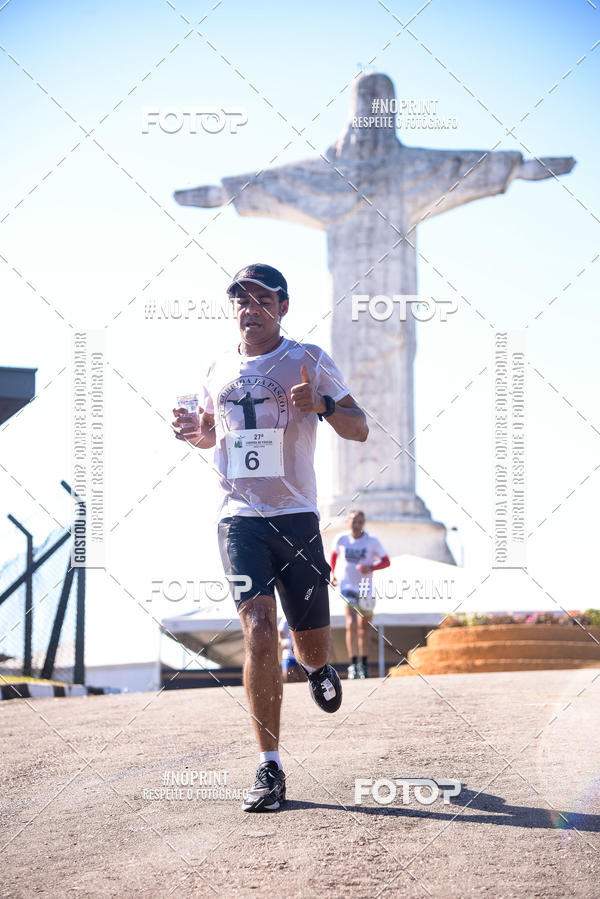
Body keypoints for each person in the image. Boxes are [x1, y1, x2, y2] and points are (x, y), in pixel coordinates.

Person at [172, 263, 368, 812]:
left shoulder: (309, 358)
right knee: (258, 628)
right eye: (240, 299)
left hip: (296, 516)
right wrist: (194, 432)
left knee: (310, 645)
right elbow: (210, 431)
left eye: (261, 299)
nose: (249, 308)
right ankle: (270, 767)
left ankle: (317, 668)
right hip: (238, 518)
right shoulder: (216, 367)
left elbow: (359, 427)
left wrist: (323, 406)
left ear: (283, 307)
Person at [330, 510, 390, 679]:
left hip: (365, 589)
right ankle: (353, 664)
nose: (356, 525)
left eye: (360, 522)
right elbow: (334, 556)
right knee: (351, 623)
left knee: (364, 628)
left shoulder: (372, 541)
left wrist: (370, 567)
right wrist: (333, 574)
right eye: (353, 521)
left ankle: (363, 663)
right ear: (348, 522)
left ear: (363, 523)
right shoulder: (341, 539)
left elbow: (386, 561)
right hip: (347, 586)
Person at [279, 615, 305, 684]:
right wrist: (282, 642)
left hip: (301, 655)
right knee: (288, 681)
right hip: (288, 655)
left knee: (304, 681)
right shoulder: (285, 619)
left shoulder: (303, 616)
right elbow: (280, 633)